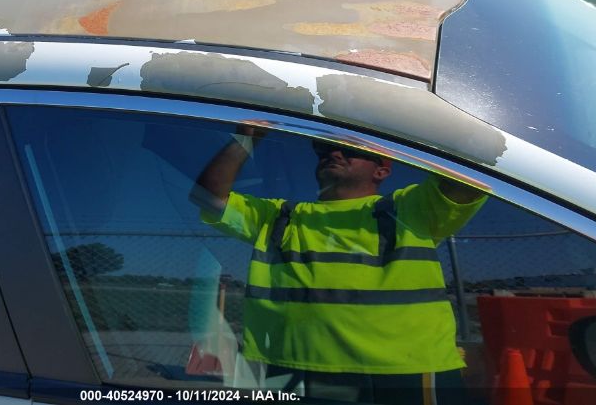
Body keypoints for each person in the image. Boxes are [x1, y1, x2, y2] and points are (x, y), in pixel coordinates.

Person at [190, 124, 487, 404]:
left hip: (406, 374)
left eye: (351, 150)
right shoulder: (279, 215)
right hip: (289, 370)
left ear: (382, 170)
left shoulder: (409, 209)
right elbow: (208, 197)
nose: (334, 152)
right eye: (325, 149)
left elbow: (473, 169)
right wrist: (247, 137)